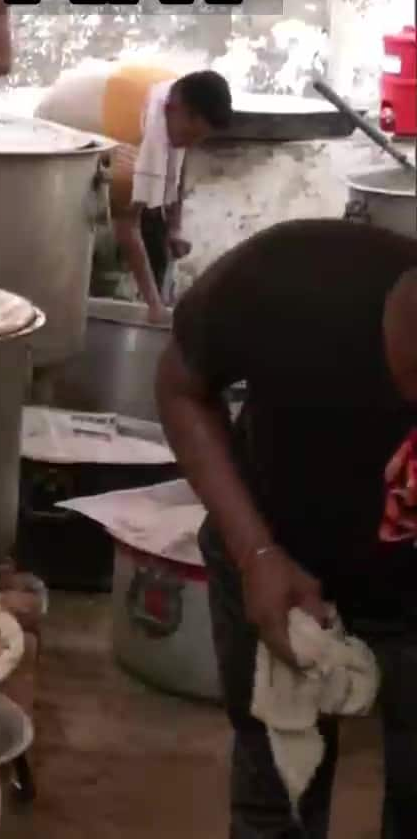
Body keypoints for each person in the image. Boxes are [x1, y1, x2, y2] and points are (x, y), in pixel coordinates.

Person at [156, 218, 417, 838]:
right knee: (278, 800)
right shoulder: (292, 278)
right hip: (278, 555)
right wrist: (255, 553)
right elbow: (180, 387)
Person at [37, 63, 235, 321]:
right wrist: (155, 307)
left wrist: (175, 227)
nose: (192, 143)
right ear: (178, 111)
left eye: (200, 138)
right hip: (57, 126)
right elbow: (127, 229)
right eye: (191, 134)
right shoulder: (133, 141)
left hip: (105, 95)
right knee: (93, 241)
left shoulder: (175, 95)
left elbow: (180, 155)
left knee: (151, 221)